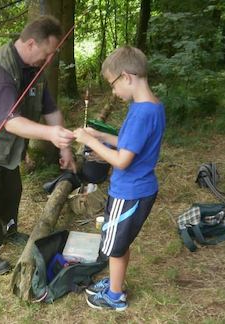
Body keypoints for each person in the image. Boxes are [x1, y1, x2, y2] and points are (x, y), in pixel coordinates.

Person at [0, 15, 76, 275]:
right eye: (47, 53)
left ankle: (9, 231)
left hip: (8, 148)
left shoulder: (35, 69)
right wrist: (51, 134)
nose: (50, 59)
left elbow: (51, 109)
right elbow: (9, 121)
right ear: (31, 43)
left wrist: (65, 147)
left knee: (11, 192)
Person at [73, 46, 166, 311]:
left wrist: (90, 140)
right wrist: (102, 138)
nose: (113, 92)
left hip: (130, 192)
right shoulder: (151, 107)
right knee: (119, 242)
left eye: (112, 85)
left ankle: (115, 297)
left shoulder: (141, 113)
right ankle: (115, 283)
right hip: (135, 189)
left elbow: (122, 160)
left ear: (127, 77)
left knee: (113, 246)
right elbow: (128, 145)